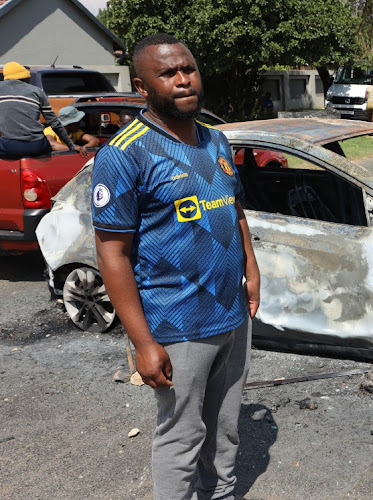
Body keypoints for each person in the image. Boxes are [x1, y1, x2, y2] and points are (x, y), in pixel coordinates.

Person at [91, 33, 261, 500]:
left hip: (230, 314)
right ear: (143, 87)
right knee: (182, 435)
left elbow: (235, 209)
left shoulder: (216, 141)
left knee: (225, 430)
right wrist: (143, 343)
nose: (183, 79)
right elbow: (111, 251)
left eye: (188, 68)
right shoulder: (125, 154)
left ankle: (220, 494)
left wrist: (252, 267)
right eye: (167, 73)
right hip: (177, 323)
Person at [0, 61, 87, 159]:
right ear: (25, 77)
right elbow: (54, 122)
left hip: (9, 147)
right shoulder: (37, 91)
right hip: (36, 146)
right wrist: (71, 145)